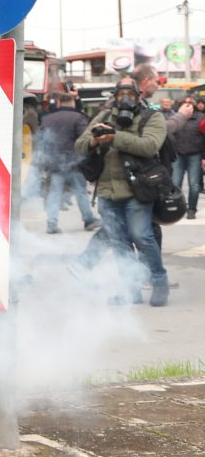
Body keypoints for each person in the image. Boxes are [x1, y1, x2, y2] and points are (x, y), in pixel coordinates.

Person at [75, 79, 169, 306]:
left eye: (130, 93)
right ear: (114, 96)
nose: (125, 98)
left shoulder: (152, 116)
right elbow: (80, 144)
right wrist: (96, 140)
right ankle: (130, 290)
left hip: (138, 190)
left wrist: (115, 138)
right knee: (118, 241)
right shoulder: (104, 117)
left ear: (138, 95)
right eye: (121, 94)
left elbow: (150, 146)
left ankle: (159, 283)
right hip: (107, 191)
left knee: (142, 236)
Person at [37, 96, 98, 234]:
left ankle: (52, 223)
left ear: (59, 102)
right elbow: (84, 140)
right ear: (71, 102)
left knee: (54, 193)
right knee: (81, 192)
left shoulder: (48, 119)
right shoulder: (78, 117)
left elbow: (42, 141)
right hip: (75, 163)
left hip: (55, 164)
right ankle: (89, 220)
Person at [167, 97, 204, 219]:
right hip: (178, 154)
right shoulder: (175, 117)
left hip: (195, 154)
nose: (188, 106)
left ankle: (192, 209)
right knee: (175, 183)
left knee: (194, 184)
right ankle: (178, 207)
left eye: (190, 104)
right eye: (185, 104)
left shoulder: (201, 118)